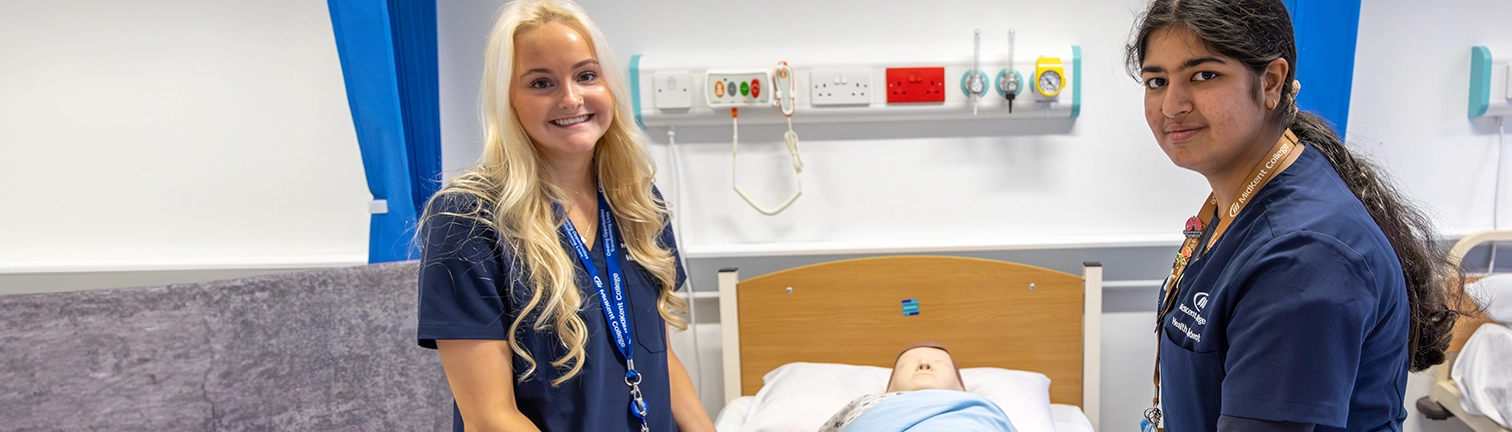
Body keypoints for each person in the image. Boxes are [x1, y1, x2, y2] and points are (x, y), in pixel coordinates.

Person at [1125, 1, 1464, 431]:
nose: (1172, 105)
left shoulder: (1305, 256)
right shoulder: (1239, 202)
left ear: (1270, 81)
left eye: (1204, 75)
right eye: (1157, 81)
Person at [413, 1, 714, 431]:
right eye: (541, 83)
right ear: (508, 100)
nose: (571, 98)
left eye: (586, 75)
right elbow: (489, 417)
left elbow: (658, 357)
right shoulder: (468, 218)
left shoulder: (637, 202)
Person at [819, 342, 1015, 432]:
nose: (924, 363)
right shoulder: (866, 404)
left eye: (939, 362)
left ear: (961, 388)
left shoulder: (982, 409)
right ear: (890, 387)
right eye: (908, 363)